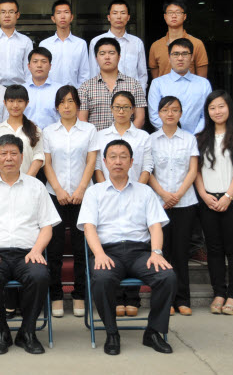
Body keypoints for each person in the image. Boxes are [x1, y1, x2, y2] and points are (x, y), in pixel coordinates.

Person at [0, 134, 61, 355]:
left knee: (40, 275)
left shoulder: (36, 186)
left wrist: (37, 250)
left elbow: (47, 226)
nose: (9, 158)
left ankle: (27, 332)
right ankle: (1, 331)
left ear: (22, 157)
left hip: (28, 253)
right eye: (3, 154)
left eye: (13, 153)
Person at [78, 139, 176, 356]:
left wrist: (156, 252)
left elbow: (155, 226)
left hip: (140, 252)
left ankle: (153, 332)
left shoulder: (145, 192)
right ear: (105, 162)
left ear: (132, 162)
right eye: (113, 157)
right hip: (108, 252)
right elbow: (89, 227)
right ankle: (112, 333)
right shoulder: (94, 193)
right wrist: (99, 254)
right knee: (101, 277)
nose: (118, 161)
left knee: (166, 276)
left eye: (123, 157)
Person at [93, 90, 153, 316]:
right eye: (117, 107)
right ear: (111, 109)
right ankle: (117, 298)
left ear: (133, 110)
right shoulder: (100, 136)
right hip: (108, 195)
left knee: (135, 241)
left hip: (136, 195)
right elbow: (97, 167)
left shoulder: (142, 137)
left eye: (126, 107)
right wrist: (106, 190)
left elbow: (147, 166)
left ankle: (133, 299)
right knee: (114, 242)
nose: (121, 111)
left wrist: (137, 190)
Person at [42, 85, 99, 318]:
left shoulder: (89, 130)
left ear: (78, 105)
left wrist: (81, 189)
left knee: (80, 248)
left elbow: (91, 161)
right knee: (54, 249)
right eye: (62, 102)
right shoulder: (48, 131)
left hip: (83, 195)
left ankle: (79, 295)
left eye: (71, 101)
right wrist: (58, 189)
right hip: (55, 195)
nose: (66, 106)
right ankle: (55, 296)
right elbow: (47, 163)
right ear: (57, 107)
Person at [194, 90, 233, 315]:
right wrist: (203, 194)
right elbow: (196, 170)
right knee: (214, 249)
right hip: (208, 199)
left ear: (229, 108)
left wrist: (228, 196)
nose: (217, 111)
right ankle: (218, 293)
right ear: (207, 111)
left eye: (221, 106)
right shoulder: (200, 137)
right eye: (212, 108)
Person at [148, 96, 199, 316]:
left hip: (184, 202)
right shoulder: (150, 140)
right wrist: (163, 194)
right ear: (158, 113)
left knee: (180, 253)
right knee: (161, 252)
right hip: (159, 204)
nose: (170, 114)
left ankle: (182, 299)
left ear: (181, 114)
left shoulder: (189, 139)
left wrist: (177, 195)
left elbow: (193, 170)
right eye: (166, 110)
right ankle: (164, 301)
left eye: (175, 110)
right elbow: (148, 171)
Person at [78, 37, 146, 131]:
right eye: (102, 53)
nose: (107, 57)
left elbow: (140, 118)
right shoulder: (85, 87)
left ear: (119, 57)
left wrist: (126, 137)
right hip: (96, 139)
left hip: (127, 138)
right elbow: (82, 120)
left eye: (111, 53)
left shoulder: (134, 85)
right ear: (96, 58)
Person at [148, 38, 213, 134]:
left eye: (185, 54)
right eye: (176, 54)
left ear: (192, 57)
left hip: (198, 138)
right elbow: (154, 116)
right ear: (169, 58)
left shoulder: (204, 84)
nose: (180, 58)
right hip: (166, 138)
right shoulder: (157, 84)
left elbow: (207, 114)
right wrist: (175, 135)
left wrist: (194, 136)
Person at [87, 0, 148, 90]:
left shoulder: (137, 43)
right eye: (115, 13)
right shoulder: (96, 42)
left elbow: (142, 74)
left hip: (131, 94)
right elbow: (93, 72)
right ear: (109, 17)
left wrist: (140, 95)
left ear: (128, 17)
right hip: (104, 94)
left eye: (123, 13)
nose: (119, 17)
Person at [0, 85, 45, 177]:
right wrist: (0, 180)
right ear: (5, 102)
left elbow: (38, 157)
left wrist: (26, 180)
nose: (15, 105)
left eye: (20, 101)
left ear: (27, 103)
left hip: (28, 181)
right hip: (1, 182)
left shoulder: (36, 130)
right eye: (11, 101)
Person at [148, 0, 208, 79]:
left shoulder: (197, 44)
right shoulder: (156, 46)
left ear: (184, 16)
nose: (174, 16)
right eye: (170, 13)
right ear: (165, 16)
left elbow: (202, 79)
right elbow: (156, 79)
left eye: (178, 12)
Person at [0, 0, 34, 86]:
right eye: (3, 12)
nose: (7, 15)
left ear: (17, 15)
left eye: (11, 12)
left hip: (19, 88)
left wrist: (27, 88)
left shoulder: (26, 41)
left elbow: (29, 70)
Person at [39, 0, 90, 88]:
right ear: (53, 18)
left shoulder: (81, 44)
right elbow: (41, 73)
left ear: (71, 17)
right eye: (58, 13)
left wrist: (79, 93)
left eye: (66, 12)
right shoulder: (44, 45)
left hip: (73, 93)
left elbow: (84, 75)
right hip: (50, 92)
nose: (62, 16)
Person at [24, 47, 63, 130]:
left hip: (53, 135)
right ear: (29, 66)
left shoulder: (60, 90)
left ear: (50, 66)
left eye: (44, 61)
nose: (39, 65)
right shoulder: (22, 90)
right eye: (35, 61)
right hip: (25, 135)